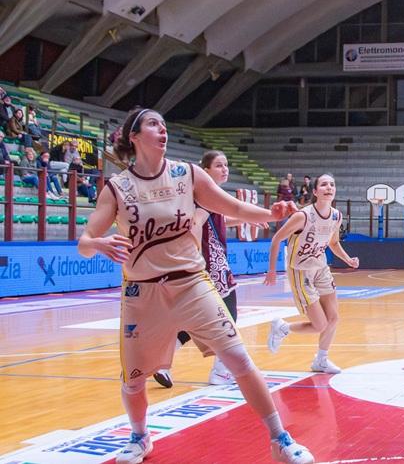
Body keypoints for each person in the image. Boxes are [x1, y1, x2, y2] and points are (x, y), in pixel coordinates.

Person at [75, 107, 313, 464]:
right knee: (134, 381)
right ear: (135, 137)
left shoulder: (187, 174)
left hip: (191, 284)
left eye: (164, 124)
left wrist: (271, 214)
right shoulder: (117, 188)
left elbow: (231, 206)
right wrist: (98, 244)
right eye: (153, 124)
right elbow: (85, 240)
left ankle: (280, 439)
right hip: (143, 294)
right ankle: (140, 438)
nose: (162, 129)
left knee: (240, 360)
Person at [153, 151, 253, 388]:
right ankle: (220, 371)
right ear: (205, 171)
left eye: (226, 165)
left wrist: (244, 220)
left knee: (193, 320)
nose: (225, 169)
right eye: (219, 165)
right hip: (212, 265)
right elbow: (197, 223)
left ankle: (161, 363)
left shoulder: (207, 197)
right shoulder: (206, 196)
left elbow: (218, 219)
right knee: (229, 317)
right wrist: (196, 256)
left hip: (207, 264)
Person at [265, 174, 359, 373]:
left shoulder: (336, 215)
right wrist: (272, 270)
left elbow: (333, 243)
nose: (329, 187)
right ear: (315, 192)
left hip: (321, 268)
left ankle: (321, 360)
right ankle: (282, 328)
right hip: (301, 271)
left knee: (333, 319)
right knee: (320, 324)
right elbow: (276, 240)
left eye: (332, 184)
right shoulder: (303, 216)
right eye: (324, 184)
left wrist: (348, 259)